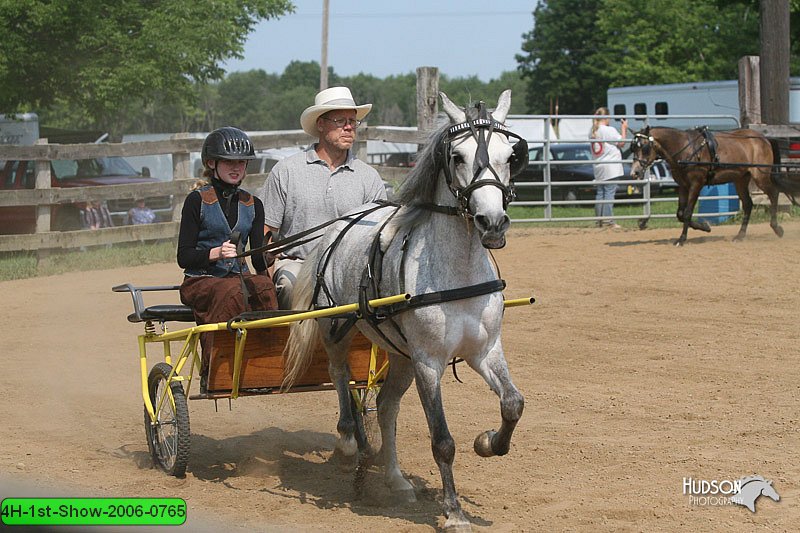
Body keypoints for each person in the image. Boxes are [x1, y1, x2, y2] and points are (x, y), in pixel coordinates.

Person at [260, 86, 387, 309]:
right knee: (289, 285)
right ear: (320, 124)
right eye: (340, 120)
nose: (348, 127)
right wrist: (265, 283)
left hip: (349, 269)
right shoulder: (286, 171)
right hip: (297, 264)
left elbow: (378, 235)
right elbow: (265, 231)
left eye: (352, 121)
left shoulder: (369, 178)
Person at [177, 127, 278, 390]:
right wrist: (214, 253)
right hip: (200, 281)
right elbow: (184, 256)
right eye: (229, 162)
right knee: (233, 291)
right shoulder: (196, 201)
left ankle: (269, 364)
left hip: (236, 280)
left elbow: (257, 258)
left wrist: (269, 256)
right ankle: (215, 371)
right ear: (212, 163)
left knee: (265, 288)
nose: (236, 168)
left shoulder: (253, 204)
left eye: (241, 163)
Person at [589, 107, 627, 229]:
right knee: (609, 193)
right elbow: (622, 143)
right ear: (606, 118)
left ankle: (599, 220)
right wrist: (624, 128)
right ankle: (608, 221)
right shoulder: (608, 130)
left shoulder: (593, 131)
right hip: (611, 166)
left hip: (599, 166)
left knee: (601, 193)